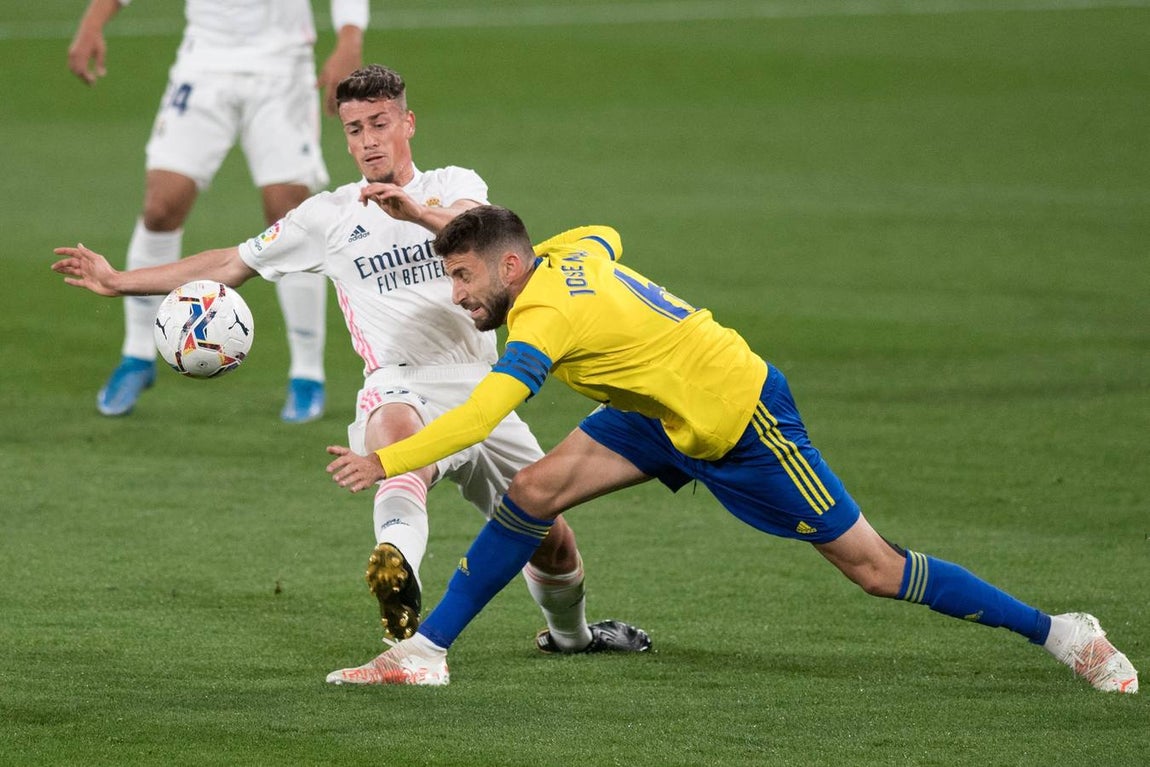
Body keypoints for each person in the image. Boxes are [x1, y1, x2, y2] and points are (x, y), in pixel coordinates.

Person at [320, 205, 1140, 693]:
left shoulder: (543, 319)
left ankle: (1063, 632)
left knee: (875, 568)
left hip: (741, 417)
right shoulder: (568, 251)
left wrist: (386, 460)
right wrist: (436, 219)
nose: (458, 296)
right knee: (532, 492)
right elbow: (605, 233)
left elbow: (482, 411)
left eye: (464, 278)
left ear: (509, 266)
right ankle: (425, 653)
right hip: (657, 409)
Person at [52, 66, 651, 677]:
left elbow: (487, 236)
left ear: (407, 123)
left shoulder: (453, 185)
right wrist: (119, 281)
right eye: (354, 129)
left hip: (486, 387)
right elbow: (232, 263)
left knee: (550, 540)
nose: (367, 140)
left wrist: (414, 213)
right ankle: (397, 569)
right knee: (397, 441)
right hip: (401, 381)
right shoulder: (327, 217)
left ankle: (572, 637)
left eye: (379, 124)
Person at [67, 0, 370, 422]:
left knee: (288, 214)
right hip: (204, 61)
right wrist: (92, 23)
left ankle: (307, 374)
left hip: (282, 66)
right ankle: (137, 355)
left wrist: (349, 38)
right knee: (161, 206)